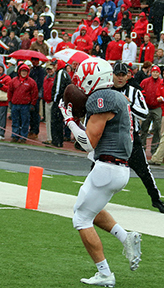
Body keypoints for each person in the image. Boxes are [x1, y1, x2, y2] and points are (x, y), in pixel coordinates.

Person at [59, 58, 142, 287]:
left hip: (107, 167)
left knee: (81, 217)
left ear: (94, 78)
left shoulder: (100, 98)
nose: (80, 83)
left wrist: (69, 121)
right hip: (118, 167)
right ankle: (127, 238)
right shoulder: (118, 96)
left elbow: (88, 143)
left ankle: (105, 273)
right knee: (92, 211)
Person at [112, 62, 164, 213]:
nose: (120, 78)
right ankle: (87, 195)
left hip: (130, 137)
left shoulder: (134, 92)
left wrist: (128, 104)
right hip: (111, 136)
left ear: (128, 76)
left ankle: (155, 199)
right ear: (113, 75)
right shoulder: (106, 90)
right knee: (97, 165)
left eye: (123, 75)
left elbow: (144, 113)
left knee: (144, 171)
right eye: (118, 75)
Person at [8, 63, 38, 143]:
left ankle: (23, 137)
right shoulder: (13, 81)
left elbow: (34, 94)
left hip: (25, 105)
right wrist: (10, 101)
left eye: (25, 71)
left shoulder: (31, 82)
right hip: (15, 104)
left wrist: (33, 104)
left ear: (28, 72)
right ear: (19, 71)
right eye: (22, 71)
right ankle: (15, 135)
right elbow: (10, 91)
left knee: (25, 122)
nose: (24, 73)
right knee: (15, 121)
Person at [140, 65, 162, 155]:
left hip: (157, 107)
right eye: (154, 72)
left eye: (157, 72)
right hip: (147, 107)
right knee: (144, 128)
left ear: (159, 73)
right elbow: (140, 91)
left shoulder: (162, 82)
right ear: (151, 72)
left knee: (157, 127)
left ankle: (154, 149)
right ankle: (142, 148)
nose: (155, 74)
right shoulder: (145, 81)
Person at [51, 59, 71, 147]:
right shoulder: (65, 74)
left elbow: (58, 88)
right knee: (59, 121)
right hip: (63, 101)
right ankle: (59, 140)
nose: (53, 67)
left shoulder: (60, 73)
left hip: (59, 101)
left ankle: (57, 140)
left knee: (56, 121)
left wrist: (55, 100)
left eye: (54, 65)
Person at [28, 57, 45, 140]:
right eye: (33, 60)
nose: (34, 62)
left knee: (35, 113)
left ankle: (35, 131)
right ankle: (32, 129)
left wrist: (34, 89)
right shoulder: (32, 70)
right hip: (30, 94)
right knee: (31, 113)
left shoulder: (41, 70)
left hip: (37, 94)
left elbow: (40, 82)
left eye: (35, 60)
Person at [42, 62, 56, 145]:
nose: (49, 71)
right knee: (48, 120)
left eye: (50, 69)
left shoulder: (55, 78)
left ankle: (53, 138)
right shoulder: (45, 78)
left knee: (53, 121)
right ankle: (49, 137)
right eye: (48, 69)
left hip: (53, 101)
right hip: (47, 101)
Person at [0, 63, 11, 140]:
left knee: (2, 117)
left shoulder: (7, 78)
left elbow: (9, 88)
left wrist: (2, 86)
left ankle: (1, 133)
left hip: (3, 101)